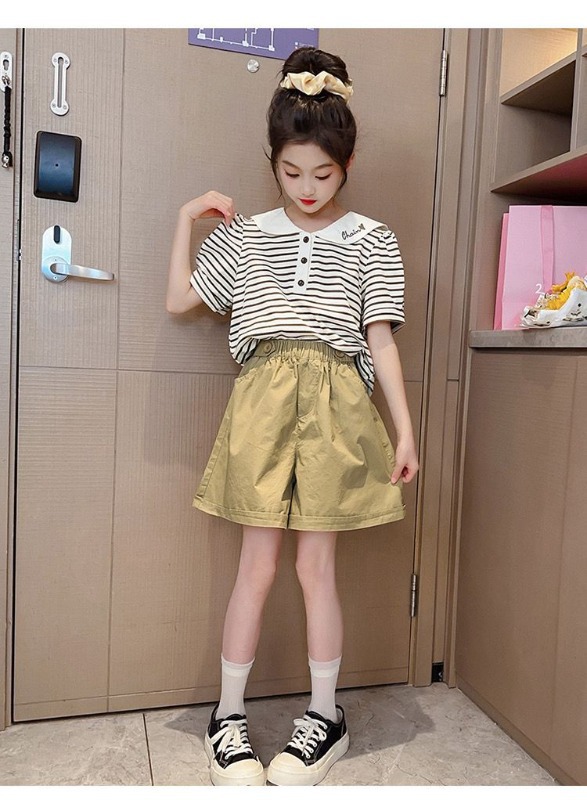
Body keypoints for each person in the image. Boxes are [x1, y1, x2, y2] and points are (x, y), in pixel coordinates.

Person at [166, 45, 419, 787]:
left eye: (323, 174)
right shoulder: (245, 237)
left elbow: (380, 339)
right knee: (257, 565)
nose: (307, 188)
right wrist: (185, 218)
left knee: (315, 568)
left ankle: (323, 717)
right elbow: (181, 301)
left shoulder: (373, 239)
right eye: (291, 172)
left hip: (340, 410)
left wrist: (404, 429)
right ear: (272, 162)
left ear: (347, 165)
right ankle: (227, 718)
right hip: (262, 404)